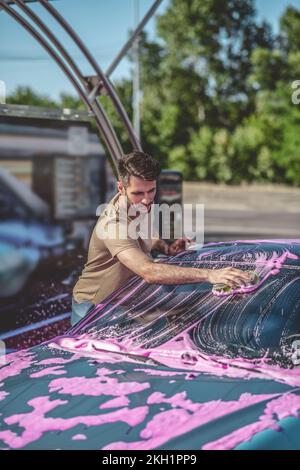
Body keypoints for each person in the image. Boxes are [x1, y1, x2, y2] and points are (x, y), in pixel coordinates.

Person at [72, 151, 251, 325]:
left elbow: (147, 236)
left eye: (151, 190)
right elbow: (148, 271)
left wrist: (166, 247)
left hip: (125, 300)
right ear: (121, 188)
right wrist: (211, 274)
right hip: (94, 310)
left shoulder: (140, 206)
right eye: (138, 193)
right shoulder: (114, 225)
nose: (146, 199)